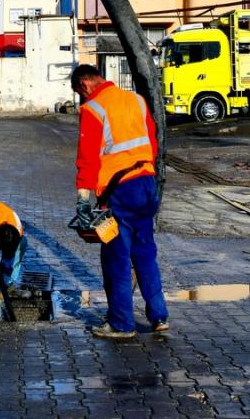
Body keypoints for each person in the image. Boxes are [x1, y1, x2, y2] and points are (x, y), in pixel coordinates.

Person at [71, 64, 169, 339]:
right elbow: (153, 141)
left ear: (84, 85)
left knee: (117, 257)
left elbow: (88, 158)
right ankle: (159, 316)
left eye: (81, 93)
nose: (82, 98)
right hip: (146, 184)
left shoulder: (93, 108)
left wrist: (83, 199)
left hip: (120, 192)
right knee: (145, 252)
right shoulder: (136, 100)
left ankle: (122, 324)